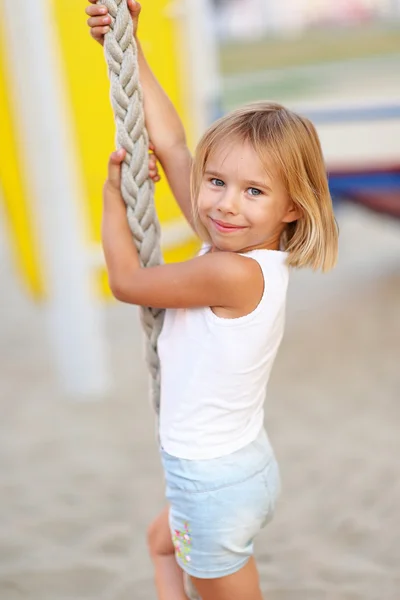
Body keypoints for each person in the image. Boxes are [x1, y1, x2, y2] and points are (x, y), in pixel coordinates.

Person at [85, 2, 339, 599]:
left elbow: (125, 281)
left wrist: (112, 203)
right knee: (160, 541)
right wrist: (130, 46)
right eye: (217, 181)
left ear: (292, 207)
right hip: (243, 468)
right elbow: (172, 144)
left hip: (211, 483)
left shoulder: (228, 274)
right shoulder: (247, 254)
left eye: (253, 191)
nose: (225, 203)